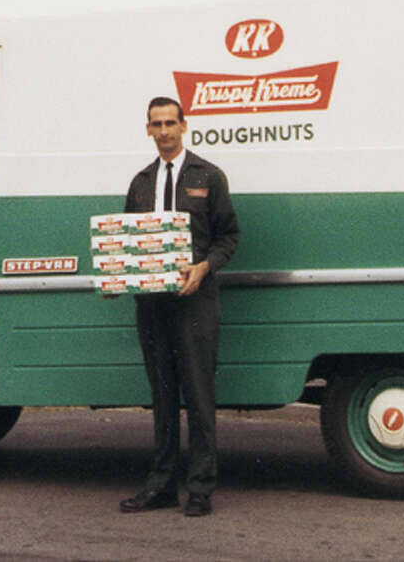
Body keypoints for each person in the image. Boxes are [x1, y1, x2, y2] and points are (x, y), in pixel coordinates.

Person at [119, 96, 240, 518]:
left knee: (200, 396)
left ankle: (201, 488)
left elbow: (229, 236)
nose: (165, 131)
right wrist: (119, 276)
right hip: (152, 306)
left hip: (196, 303)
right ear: (148, 129)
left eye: (172, 122)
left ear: (184, 125)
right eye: (157, 124)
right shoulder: (139, 183)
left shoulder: (209, 176)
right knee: (163, 397)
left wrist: (204, 267)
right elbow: (128, 244)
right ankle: (161, 486)